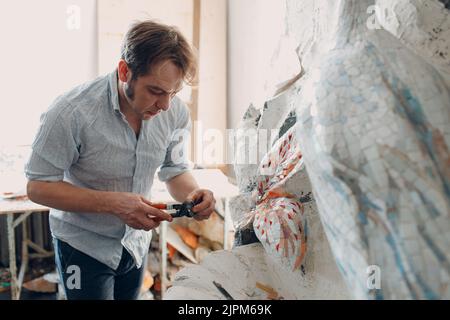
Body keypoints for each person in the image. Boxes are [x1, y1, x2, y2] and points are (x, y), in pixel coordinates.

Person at [25, 20, 216, 300]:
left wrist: (194, 194)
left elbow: (174, 169)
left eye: (174, 93)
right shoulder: (70, 112)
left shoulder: (174, 112)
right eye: (156, 91)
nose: (165, 105)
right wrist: (114, 204)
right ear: (125, 71)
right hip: (83, 245)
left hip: (134, 245)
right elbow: (38, 187)